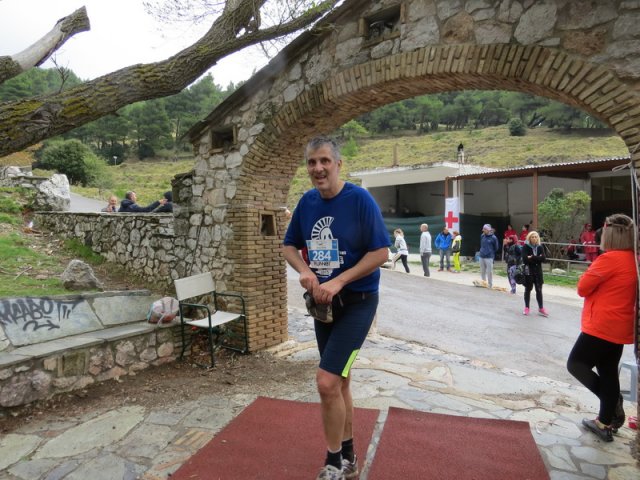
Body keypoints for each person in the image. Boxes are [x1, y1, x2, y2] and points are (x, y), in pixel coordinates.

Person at [282, 136, 390, 480]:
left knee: (326, 382)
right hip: (323, 306)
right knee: (339, 381)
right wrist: (305, 271)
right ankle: (349, 458)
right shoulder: (307, 202)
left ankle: (333, 463)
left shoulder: (359, 200)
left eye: (324, 161)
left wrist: (339, 281)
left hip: (358, 303)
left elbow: (381, 252)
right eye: (312, 162)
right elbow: (288, 246)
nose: (318, 168)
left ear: (338, 164)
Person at [566, 214, 638, 442]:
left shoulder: (609, 259)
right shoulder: (634, 259)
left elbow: (582, 287)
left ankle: (612, 402)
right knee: (608, 372)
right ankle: (604, 422)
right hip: (620, 326)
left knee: (576, 364)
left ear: (610, 235)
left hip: (601, 325)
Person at [522, 230, 548, 316]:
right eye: (532, 237)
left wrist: (532, 257)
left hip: (538, 272)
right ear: (529, 238)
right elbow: (525, 259)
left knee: (539, 290)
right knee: (528, 289)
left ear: (538, 238)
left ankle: (541, 308)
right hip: (529, 271)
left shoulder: (540, 247)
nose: (534, 238)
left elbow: (543, 259)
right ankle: (527, 307)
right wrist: (537, 258)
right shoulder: (526, 246)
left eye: (536, 237)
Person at [478, 224, 499, 288]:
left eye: (484, 229)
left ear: (488, 230)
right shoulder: (482, 236)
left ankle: (490, 284)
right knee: (482, 271)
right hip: (481, 256)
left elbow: (496, 248)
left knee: (489, 272)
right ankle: (484, 283)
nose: (483, 230)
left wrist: (490, 252)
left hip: (489, 257)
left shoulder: (494, 237)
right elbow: (481, 245)